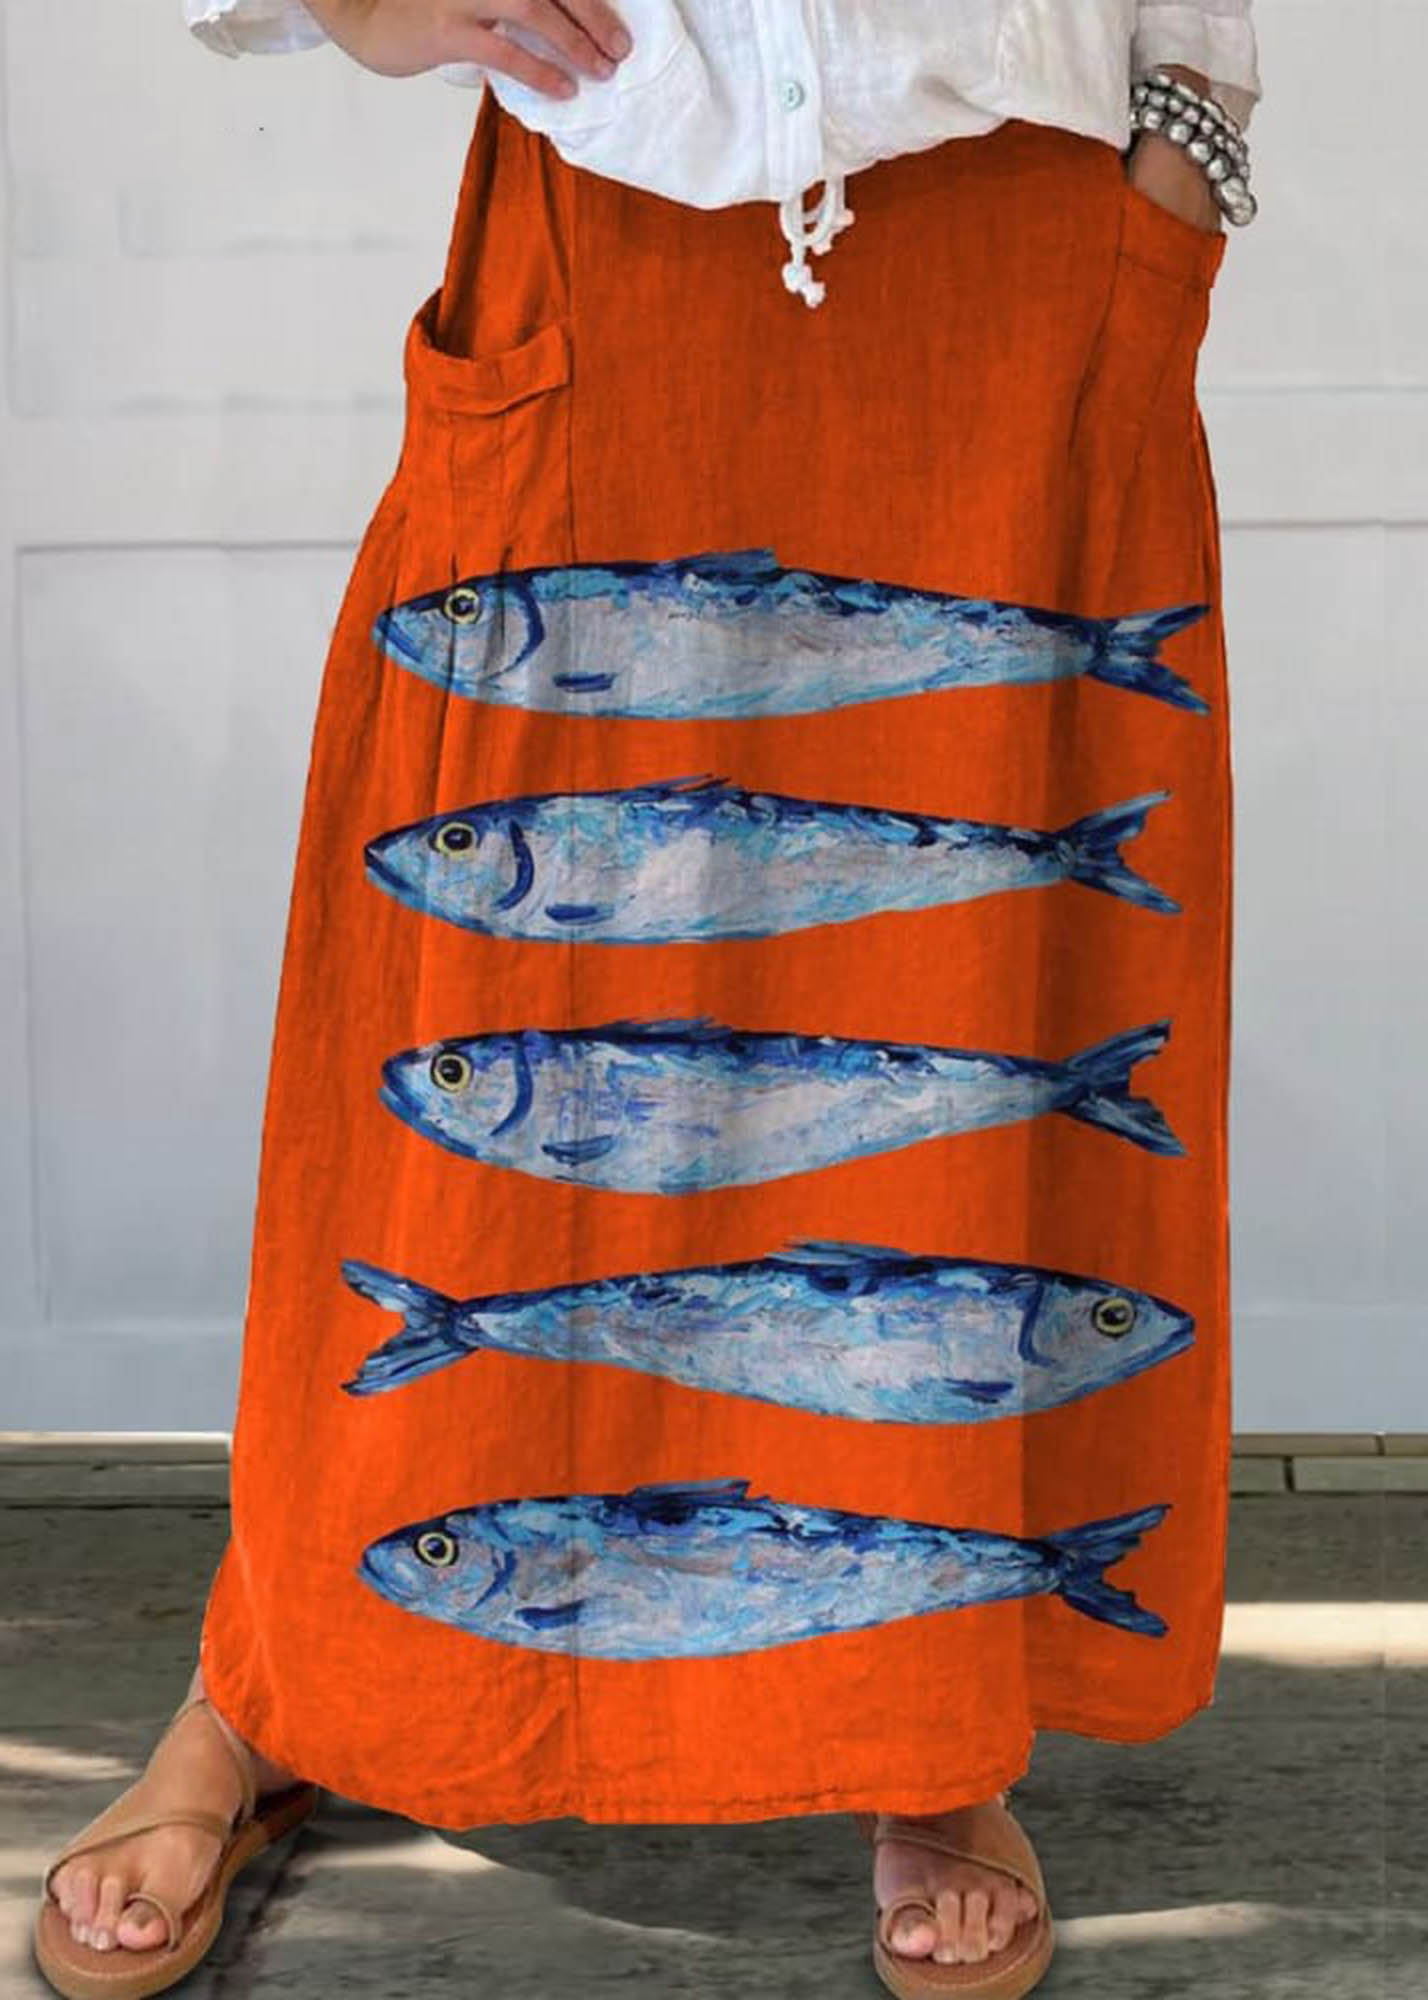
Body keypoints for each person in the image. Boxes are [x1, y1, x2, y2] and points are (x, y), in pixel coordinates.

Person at [34, 5, 1260, 1997]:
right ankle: (272, 1682)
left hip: (1026, 256)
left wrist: (1194, 134)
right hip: (608, 215)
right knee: (446, 1035)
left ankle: (926, 1722)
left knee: (972, 982)